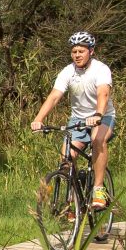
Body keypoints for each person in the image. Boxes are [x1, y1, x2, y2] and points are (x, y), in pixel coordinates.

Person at [30, 30, 115, 210]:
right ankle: (73, 200)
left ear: (91, 51)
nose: (77, 55)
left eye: (81, 51)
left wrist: (98, 115)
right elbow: (54, 96)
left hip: (102, 116)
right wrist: (38, 119)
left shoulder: (101, 69)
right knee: (66, 158)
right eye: (74, 51)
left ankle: (98, 189)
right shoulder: (68, 72)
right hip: (78, 118)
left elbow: (103, 93)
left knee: (97, 140)